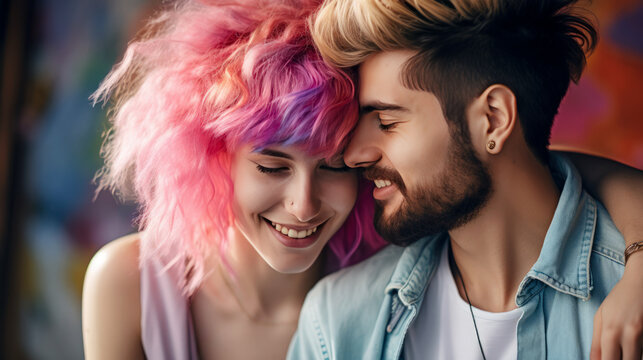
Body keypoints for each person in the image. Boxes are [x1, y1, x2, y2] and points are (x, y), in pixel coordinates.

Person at [289, 0, 643, 359]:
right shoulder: (335, 325)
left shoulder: (631, 301)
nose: (353, 155)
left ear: (493, 118)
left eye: (386, 121)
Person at [81, 1, 387, 359]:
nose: (303, 205)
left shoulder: (384, 301)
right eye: (273, 167)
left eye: (335, 168)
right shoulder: (128, 284)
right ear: (215, 153)